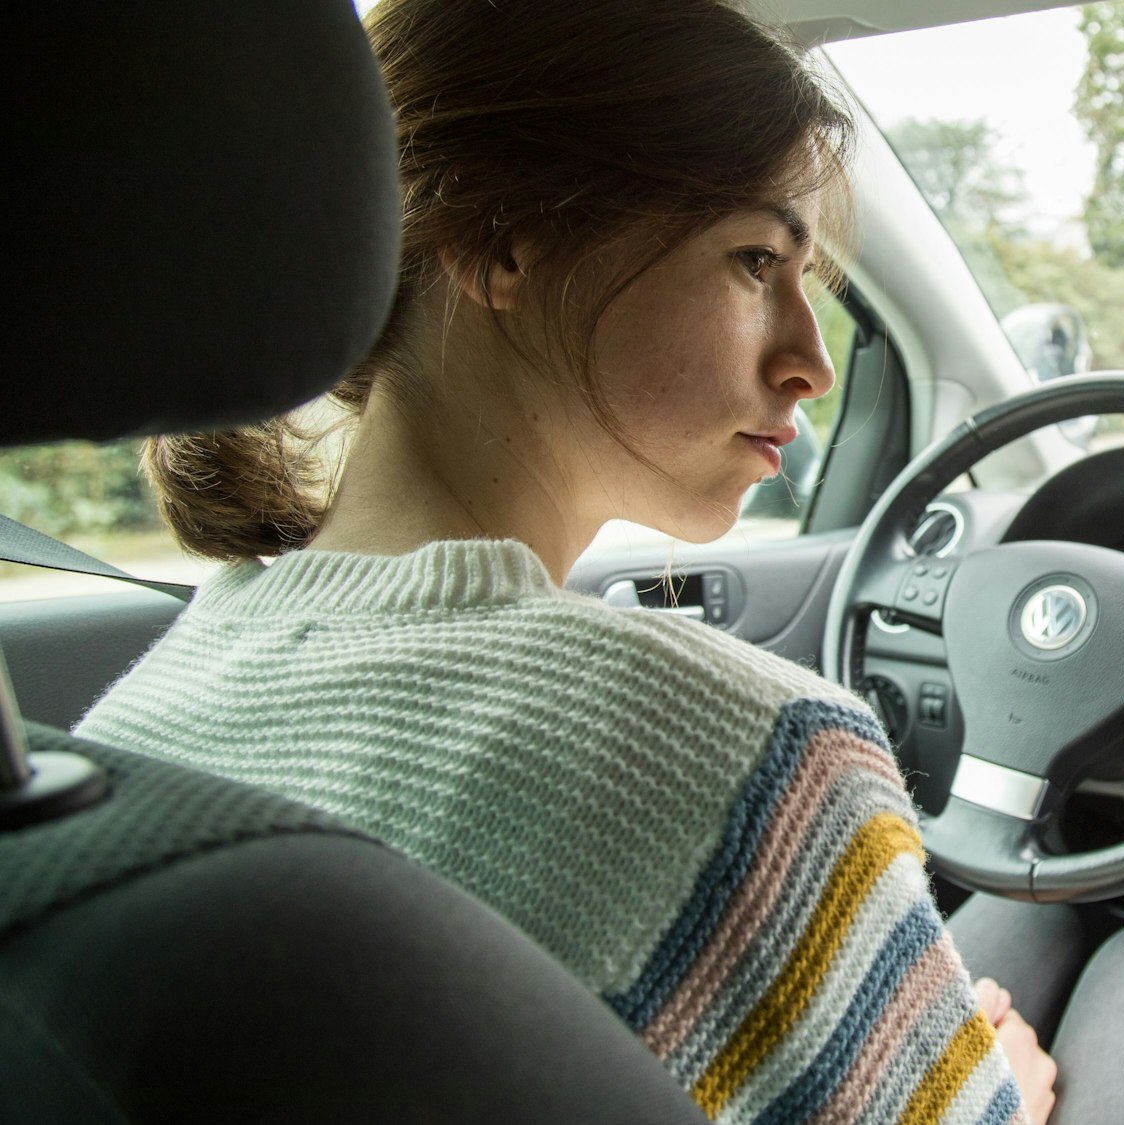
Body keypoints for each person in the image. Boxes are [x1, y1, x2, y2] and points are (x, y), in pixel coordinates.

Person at [73, 2, 1060, 1121]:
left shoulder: (133, 725)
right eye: (754, 262)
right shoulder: (744, 757)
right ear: (500, 243)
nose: (810, 365)